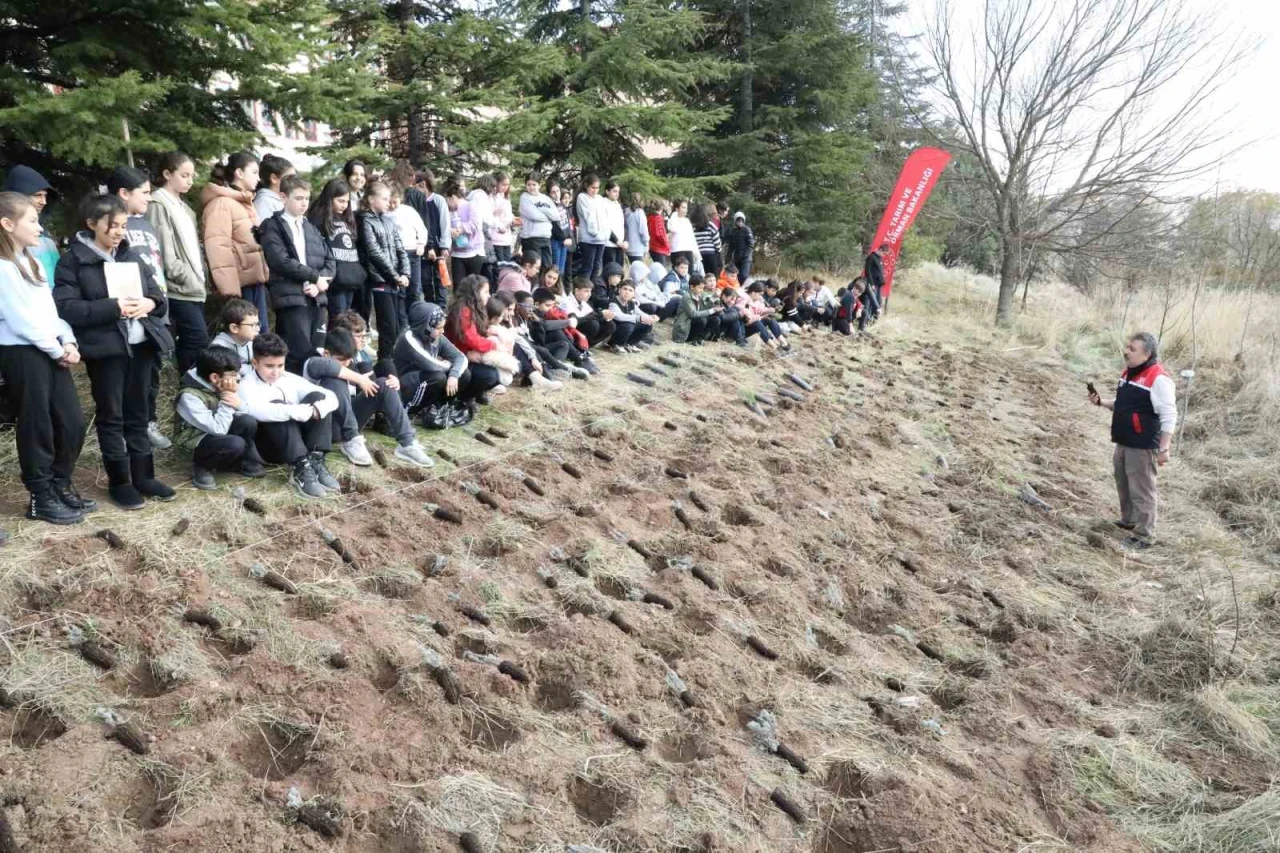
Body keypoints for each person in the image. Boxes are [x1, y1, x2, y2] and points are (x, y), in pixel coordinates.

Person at [55, 194, 175, 509]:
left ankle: (144, 476)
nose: (119, 232)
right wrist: (114, 307)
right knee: (112, 416)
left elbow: (157, 293)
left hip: (141, 345)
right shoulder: (74, 261)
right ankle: (120, 482)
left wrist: (151, 303)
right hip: (107, 351)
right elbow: (67, 307)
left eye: (123, 225)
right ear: (92, 224)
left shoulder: (131, 255)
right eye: (112, 226)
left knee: (140, 413)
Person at [0, 191, 91, 524]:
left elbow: (49, 312)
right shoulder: (2, 268)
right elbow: (21, 321)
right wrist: (56, 349)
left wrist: (67, 340)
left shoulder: (32, 262)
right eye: (33, 221)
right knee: (36, 423)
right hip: (23, 353)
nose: (40, 227)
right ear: (7, 224)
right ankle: (40, 496)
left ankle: (59, 483)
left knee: (72, 422)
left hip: (50, 348)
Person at [1088, 332, 1177, 549]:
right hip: (1123, 440)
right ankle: (1128, 520)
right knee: (1124, 483)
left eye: (1133, 349)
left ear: (1147, 354)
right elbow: (1124, 402)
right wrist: (1102, 403)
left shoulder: (1158, 379)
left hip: (1143, 444)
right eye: (1127, 346)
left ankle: (1145, 535)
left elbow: (1169, 415)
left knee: (1143, 490)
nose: (1126, 351)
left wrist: (1164, 448)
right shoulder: (1129, 372)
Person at [107, 165, 174, 451]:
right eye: (144, 193)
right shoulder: (114, 229)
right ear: (123, 193)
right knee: (128, 378)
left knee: (152, 373)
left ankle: (148, 422)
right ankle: (125, 428)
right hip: (128, 316)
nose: (149, 198)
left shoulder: (145, 224)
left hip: (155, 310)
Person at [303, 326, 432, 468]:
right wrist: (359, 379)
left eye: (349, 360)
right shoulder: (313, 362)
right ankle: (351, 439)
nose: (346, 364)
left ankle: (407, 444)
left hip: (347, 420)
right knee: (335, 379)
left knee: (383, 384)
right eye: (341, 360)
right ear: (326, 354)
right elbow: (329, 367)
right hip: (324, 426)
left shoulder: (350, 363)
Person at [238, 333, 339, 499]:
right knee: (277, 407)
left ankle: (315, 460)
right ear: (255, 363)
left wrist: (317, 409)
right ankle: (300, 468)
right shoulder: (246, 385)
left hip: (295, 439)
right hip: (270, 446)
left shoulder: (288, 378)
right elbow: (258, 411)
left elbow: (332, 397)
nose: (276, 372)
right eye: (269, 366)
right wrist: (298, 411)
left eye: (280, 365)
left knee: (317, 398)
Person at [260, 175, 334, 374]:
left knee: (316, 352)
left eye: (307, 199)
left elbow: (330, 261)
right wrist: (313, 277)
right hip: (290, 299)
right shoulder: (271, 226)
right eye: (298, 198)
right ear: (284, 197)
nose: (304, 203)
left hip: (317, 299)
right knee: (296, 354)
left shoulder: (310, 228)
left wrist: (318, 282)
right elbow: (279, 261)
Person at [147, 152, 210, 377]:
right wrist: (186, 277)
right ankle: (191, 390)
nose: (190, 180)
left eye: (192, 175)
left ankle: (188, 390)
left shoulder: (185, 208)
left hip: (194, 286)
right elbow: (163, 253)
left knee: (191, 344)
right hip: (179, 288)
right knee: (198, 341)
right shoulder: (158, 204)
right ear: (167, 174)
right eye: (184, 175)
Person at [174, 346, 267, 490]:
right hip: (194, 441)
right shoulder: (189, 396)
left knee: (247, 422)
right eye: (233, 374)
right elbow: (218, 429)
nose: (237, 378)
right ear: (214, 377)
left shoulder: (218, 384)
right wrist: (227, 398)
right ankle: (202, 466)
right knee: (235, 443)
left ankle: (237, 461)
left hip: (215, 430)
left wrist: (236, 402)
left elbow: (241, 412)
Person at [202, 152, 271, 332]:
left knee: (259, 336)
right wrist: (231, 294)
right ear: (239, 173)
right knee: (246, 338)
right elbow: (218, 249)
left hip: (254, 281)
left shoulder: (244, 201)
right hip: (240, 287)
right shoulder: (222, 204)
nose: (258, 177)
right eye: (254, 172)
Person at [396, 301, 488, 425]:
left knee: (463, 374)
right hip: (406, 384)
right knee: (438, 377)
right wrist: (450, 366)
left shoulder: (437, 337)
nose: (443, 331)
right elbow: (431, 365)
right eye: (439, 328)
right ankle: (413, 410)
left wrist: (454, 374)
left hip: (427, 379)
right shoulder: (409, 338)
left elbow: (460, 357)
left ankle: (437, 407)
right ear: (426, 326)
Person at [358, 180, 411, 362]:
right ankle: (385, 362)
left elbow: (400, 248)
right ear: (371, 199)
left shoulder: (388, 221)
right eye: (385, 198)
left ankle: (392, 359)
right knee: (387, 326)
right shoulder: (364, 220)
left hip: (394, 281)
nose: (389, 202)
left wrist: (405, 273)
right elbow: (373, 252)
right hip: (379, 280)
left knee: (396, 325)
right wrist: (395, 276)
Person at [308, 178, 366, 323]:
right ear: (329, 198)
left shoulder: (346, 217)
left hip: (350, 276)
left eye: (346, 201)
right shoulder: (319, 218)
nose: (344, 205)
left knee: (347, 317)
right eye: (340, 201)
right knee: (338, 319)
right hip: (334, 278)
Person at [444, 274, 505, 404]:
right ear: (475, 292)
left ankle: (475, 394)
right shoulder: (463, 310)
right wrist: (493, 345)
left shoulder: (475, 308)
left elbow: (479, 334)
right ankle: (463, 399)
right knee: (490, 376)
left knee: (499, 372)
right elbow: (470, 338)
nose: (489, 295)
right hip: (456, 356)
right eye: (486, 292)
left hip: (467, 353)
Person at [3, 166, 61, 280]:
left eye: (45, 196)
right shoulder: (4, 245)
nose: (43, 202)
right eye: (37, 195)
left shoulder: (48, 242)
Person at [406, 170, 451, 307]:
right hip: (422, 246)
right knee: (425, 278)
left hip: (437, 244)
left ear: (423, 184)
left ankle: (442, 306)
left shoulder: (438, 200)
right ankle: (431, 306)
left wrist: (444, 245)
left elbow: (445, 224)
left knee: (440, 277)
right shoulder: (415, 200)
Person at [388, 182, 428, 308]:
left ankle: (414, 313)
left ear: (401, 198)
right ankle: (401, 315)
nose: (392, 205)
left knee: (414, 287)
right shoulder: (384, 213)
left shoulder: (408, 211)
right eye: (390, 202)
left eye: (395, 202)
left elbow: (421, 229)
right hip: (395, 254)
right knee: (400, 287)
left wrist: (421, 244)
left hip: (412, 251)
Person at [445, 178, 484, 287]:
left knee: (473, 286)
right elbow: (445, 226)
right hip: (457, 253)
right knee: (459, 286)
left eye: (448, 200)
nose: (447, 204)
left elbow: (477, 224)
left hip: (474, 252)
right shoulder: (449, 211)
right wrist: (450, 231)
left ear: (452, 197)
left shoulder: (471, 205)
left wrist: (460, 229)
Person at [559, 277, 616, 351]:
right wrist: (599, 314)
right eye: (586, 291)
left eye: (590, 291)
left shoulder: (583, 302)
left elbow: (592, 315)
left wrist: (605, 316)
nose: (589, 294)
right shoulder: (567, 301)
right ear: (576, 291)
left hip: (579, 329)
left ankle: (587, 346)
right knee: (593, 324)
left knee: (610, 325)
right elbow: (575, 322)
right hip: (568, 331)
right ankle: (578, 347)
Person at [210, 298, 260, 377]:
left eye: (257, 324)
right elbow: (227, 374)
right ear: (234, 328)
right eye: (252, 325)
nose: (258, 329)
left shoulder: (252, 341)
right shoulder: (219, 347)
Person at [519, 172, 557, 272]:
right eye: (529, 184)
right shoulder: (525, 197)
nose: (531, 187)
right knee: (534, 269)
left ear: (539, 185)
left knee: (547, 267)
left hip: (545, 237)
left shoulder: (546, 199)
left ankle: (544, 288)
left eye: (534, 184)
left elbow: (556, 215)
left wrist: (542, 212)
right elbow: (534, 216)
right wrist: (547, 216)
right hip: (531, 238)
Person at [574, 174, 609, 281]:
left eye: (597, 188)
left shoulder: (600, 199)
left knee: (596, 267)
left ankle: (592, 291)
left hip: (601, 238)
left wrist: (605, 234)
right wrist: (595, 233)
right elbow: (589, 217)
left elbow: (604, 217)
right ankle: (582, 291)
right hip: (588, 238)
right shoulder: (582, 197)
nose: (595, 190)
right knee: (587, 267)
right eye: (593, 187)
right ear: (586, 186)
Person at [672, 274, 722, 346]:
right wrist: (712, 310)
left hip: (692, 323)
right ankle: (693, 339)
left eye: (702, 288)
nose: (702, 290)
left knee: (716, 319)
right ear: (692, 287)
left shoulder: (698, 294)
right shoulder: (687, 297)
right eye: (700, 288)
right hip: (684, 328)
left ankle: (699, 339)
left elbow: (704, 309)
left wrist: (714, 299)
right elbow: (693, 314)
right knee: (702, 320)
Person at [606, 281, 656, 353]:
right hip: (614, 329)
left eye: (630, 290)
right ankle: (616, 345)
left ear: (633, 294)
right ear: (619, 290)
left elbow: (640, 313)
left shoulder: (631, 303)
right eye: (625, 289)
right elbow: (618, 316)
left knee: (647, 324)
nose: (627, 292)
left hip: (625, 328)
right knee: (629, 325)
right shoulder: (613, 301)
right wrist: (638, 318)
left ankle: (629, 344)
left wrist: (650, 317)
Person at [253, 154, 295, 223]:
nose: (294, 182)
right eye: (290, 178)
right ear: (274, 178)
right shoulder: (264, 202)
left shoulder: (281, 200)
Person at [548, 179, 574, 276]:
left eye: (558, 191)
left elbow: (568, 223)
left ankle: (559, 288)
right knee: (555, 268)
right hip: (556, 240)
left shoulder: (562, 205)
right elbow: (554, 226)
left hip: (565, 241)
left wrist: (570, 237)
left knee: (561, 270)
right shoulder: (550, 206)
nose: (556, 194)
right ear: (549, 194)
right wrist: (564, 238)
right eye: (553, 192)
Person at [489, 172, 516, 263]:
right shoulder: (491, 197)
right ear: (496, 183)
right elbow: (490, 215)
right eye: (503, 184)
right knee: (499, 266)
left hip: (506, 237)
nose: (505, 187)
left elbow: (508, 213)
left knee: (507, 264)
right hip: (496, 237)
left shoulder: (506, 197)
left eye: (507, 185)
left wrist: (513, 220)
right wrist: (499, 226)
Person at [601, 181, 628, 269]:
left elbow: (623, 224)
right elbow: (605, 226)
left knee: (619, 270)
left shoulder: (618, 205)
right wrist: (616, 241)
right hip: (609, 244)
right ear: (607, 192)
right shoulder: (603, 204)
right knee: (610, 270)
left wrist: (625, 240)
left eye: (618, 192)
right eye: (614, 191)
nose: (617, 194)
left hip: (620, 245)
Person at [692, 203, 724, 278]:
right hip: (711, 255)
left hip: (700, 255)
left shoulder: (694, 228)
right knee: (713, 277)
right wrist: (719, 250)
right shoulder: (711, 225)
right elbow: (716, 241)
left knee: (704, 276)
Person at [666, 199, 697, 271]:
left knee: (690, 271)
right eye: (683, 207)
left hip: (688, 249)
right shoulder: (672, 219)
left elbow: (691, 238)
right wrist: (674, 214)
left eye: (686, 208)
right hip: (677, 250)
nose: (685, 210)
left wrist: (696, 253)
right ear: (677, 209)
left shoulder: (687, 221)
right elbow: (673, 229)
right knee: (679, 271)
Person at [725, 211, 755, 283]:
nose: (740, 222)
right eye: (738, 220)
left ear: (744, 221)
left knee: (743, 276)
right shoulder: (733, 231)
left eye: (741, 220)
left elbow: (751, 244)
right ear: (735, 221)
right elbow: (731, 247)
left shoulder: (747, 230)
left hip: (746, 258)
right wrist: (727, 259)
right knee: (736, 276)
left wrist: (745, 255)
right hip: (737, 258)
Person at [863, 242, 886, 320]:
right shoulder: (871, 257)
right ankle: (867, 319)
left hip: (879, 284)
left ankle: (874, 319)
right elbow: (867, 271)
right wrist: (871, 283)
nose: (884, 255)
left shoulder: (879, 258)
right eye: (884, 253)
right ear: (880, 250)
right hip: (873, 284)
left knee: (878, 301)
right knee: (872, 301)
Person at [624, 193, 649, 265]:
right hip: (638, 247)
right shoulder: (640, 213)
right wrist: (646, 243)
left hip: (628, 247)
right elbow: (643, 230)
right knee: (639, 273)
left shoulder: (625, 212)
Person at [646, 199, 670, 269]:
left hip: (652, 246)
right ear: (661, 207)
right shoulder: (658, 218)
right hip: (659, 248)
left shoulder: (650, 217)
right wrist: (666, 243)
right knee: (661, 271)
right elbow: (659, 234)